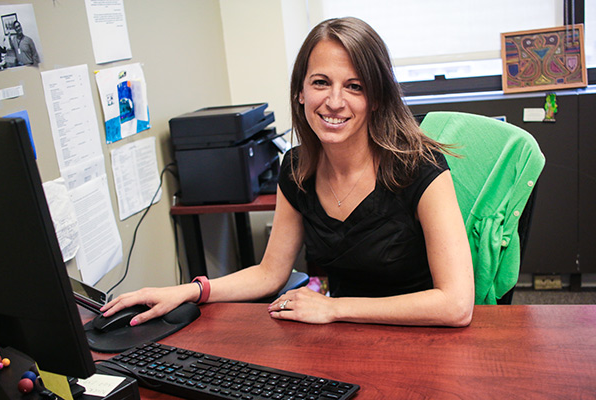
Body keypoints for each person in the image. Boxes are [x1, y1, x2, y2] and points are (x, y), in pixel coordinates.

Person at [102, 17, 474, 327]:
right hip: (346, 336)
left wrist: (334, 307)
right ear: (300, 91)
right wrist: (190, 290)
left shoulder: (419, 167)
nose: (334, 101)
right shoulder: (297, 169)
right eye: (320, 82)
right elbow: (270, 273)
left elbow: (456, 305)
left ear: (376, 98)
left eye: (354, 86)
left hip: (424, 337)